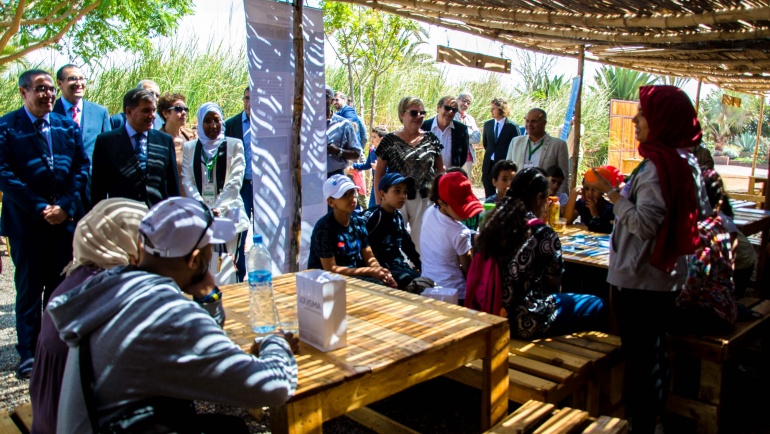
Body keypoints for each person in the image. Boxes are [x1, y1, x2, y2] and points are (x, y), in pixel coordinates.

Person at [48, 197, 298, 433]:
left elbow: (202, 342)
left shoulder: (117, 283)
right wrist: (274, 341)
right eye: (210, 248)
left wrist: (207, 296)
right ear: (195, 259)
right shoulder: (165, 315)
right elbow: (275, 387)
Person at [584, 85, 708, 434]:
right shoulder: (682, 162)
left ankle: (642, 425)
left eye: (643, 114)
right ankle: (656, 421)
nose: (635, 119)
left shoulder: (658, 168)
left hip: (641, 280)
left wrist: (612, 196)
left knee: (641, 362)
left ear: (662, 121)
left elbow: (645, 224)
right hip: (662, 277)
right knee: (654, 355)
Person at [30, 198, 148, 434]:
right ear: (125, 239)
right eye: (144, 236)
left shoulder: (80, 277)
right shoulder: (112, 290)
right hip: (74, 422)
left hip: (49, 413)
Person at [0, 69, 90, 378]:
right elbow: (5, 174)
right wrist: (41, 208)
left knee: (59, 289)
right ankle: (28, 353)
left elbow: (81, 166)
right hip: (27, 224)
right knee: (28, 290)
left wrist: (65, 206)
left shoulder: (67, 125)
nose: (48, 94)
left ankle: (55, 348)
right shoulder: (6, 127)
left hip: (63, 223)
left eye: (51, 89)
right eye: (41, 89)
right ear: (23, 92)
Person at [475, 167, 606, 339]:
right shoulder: (543, 232)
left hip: (490, 311)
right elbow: (554, 281)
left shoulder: (491, 223)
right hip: (527, 321)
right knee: (597, 303)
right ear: (539, 198)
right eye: (546, 199)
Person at [181, 102, 249, 277]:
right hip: (201, 214)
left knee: (227, 263)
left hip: (228, 212)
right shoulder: (190, 147)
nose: (213, 126)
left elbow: (235, 180)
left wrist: (218, 208)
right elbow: (187, 180)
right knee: (204, 262)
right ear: (200, 123)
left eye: (217, 120)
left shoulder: (234, 145)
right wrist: (204, 208)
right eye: (208, 121)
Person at [374, 97, 444, 252]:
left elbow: (441, 170)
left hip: (425, 198)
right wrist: (380, 200)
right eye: (413, 113)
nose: (418, 116)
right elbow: (379, 172)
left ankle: (419, 273)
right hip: (395, 195)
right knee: (393, 240)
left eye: (422, 113)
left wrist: (443, 197)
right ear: (401, 114)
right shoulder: (389, 140)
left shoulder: (432, 139)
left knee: (422, 244)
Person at [91, 88, 181, 207]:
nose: (152, 116)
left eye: (153, 110)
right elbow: (98, 188)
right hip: (121, 217)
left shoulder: (164, 140)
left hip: (157, 216)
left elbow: (172, 184)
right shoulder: (106, 141)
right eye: (146, 111)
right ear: (129, 112)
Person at [308, 174, 397, 287]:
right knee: (379, 287)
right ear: (331, 202)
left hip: (353, 276)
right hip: (325, 282)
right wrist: (370, 271)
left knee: (395, 280)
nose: (351, 198)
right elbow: (331, 270)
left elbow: (369, 256)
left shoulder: (358, 221)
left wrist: (381, 272)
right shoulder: (323, 228)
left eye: (352, 193)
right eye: (344, 195)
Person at [420, 171, 482, 305]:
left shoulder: (429, 212)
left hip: (428, 287)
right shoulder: (460, 233)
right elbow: (468, 269)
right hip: (456, 294)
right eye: (460, 206)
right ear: (442, 203)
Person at [701, 169, 755, 298]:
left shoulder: (721, 220)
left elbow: (728, 260)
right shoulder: (710, 213)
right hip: (732, 263)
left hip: (742, 266)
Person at [362, 173, 421, 289]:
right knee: (413, 282)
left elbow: (407, 245)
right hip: (381, 270)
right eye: (397, 191)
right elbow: (357, 240)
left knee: (425, 281)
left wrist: (421, 266)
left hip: (398, 266)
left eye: (405, 192)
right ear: (382, 195)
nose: (403, 196)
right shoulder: (373, 217)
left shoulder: (398, 216)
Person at [52, 64, 111, 166]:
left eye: (81, 78)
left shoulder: (100, 112)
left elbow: (108, 149)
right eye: (73, 79)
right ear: (59, 83)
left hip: (91, 178)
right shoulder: (49, 112)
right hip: (59, 177)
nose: (78, 83)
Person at [225, 87, 254, 283]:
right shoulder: (231, 125)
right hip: (240, 187)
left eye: (254, 99)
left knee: (264, 232)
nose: (250, 103)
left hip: (262, 187)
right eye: (246, 99)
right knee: (240, 232)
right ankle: (239, 273)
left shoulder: (269, 125)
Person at [507, 108, 570, 195]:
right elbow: (508, 171)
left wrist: (563, 201)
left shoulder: (558, 145)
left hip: (544, 197)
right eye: (527, 121)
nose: (529, 124)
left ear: (544, 123)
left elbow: (564, 178)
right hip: (519, 195)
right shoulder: (516, 142)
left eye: (534, 121)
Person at [157, 92, 197, 189]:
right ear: (165, 113)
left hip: (194, 195)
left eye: (185, 109)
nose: (184, 113)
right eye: (178, 109)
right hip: (172, 196)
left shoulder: (193, 136)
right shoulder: (157, 140)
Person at [482, 98, 520, 198]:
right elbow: (486, 144)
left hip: (504, 165)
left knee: (504, 195)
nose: (491, 111)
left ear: (501, 109)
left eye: (493, 109)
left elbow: (517, 146)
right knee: (489, 195)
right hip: (489, 166)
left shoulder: (512, 126)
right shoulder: (488, 124)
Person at [422, 96, 470, 170]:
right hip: (427, 176)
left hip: (450, 177)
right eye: (447, 108)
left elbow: (463, 156)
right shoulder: (424, 126)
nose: (450, 111)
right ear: (438, 108)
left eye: (454, 110)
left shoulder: (461, 130)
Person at [325, 86, 362, 178]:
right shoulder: (306, 125)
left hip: (336, 176)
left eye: (325, 96)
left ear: (331, 100)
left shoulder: (344, 124)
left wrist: (337, 151)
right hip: (312, 179)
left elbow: (356, 153)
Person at [352, 126, 387, 208]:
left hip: (385, 186)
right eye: (371, 136)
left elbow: (391, 171)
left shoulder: (387, 153)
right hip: (375, 184)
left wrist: (379, 169)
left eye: (374, 137)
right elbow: (367, 165)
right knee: (372, 207)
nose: (371, 139)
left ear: (381, 139)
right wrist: (353, 166)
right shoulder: (372, 150)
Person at [455, 91, 482, 180]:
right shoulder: (451, 116)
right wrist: (469, 133)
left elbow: (477, 138)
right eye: (464, 101)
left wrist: (463, 133)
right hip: (454, 155)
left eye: (468, 103)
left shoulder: (470, 119)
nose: (465, 104)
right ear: (457, 100)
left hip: (468, 157)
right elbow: (454, 135)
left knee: (465, 182)